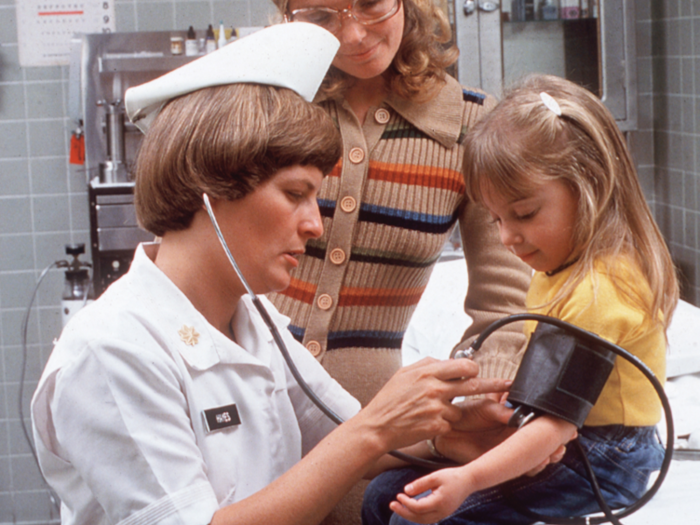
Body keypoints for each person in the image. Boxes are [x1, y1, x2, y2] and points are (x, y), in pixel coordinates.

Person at [30, 23, 517, 525]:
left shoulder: (256, 320)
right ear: (210, 185)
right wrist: (375, 427)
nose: (314, 224)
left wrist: (448, 432)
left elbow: (341, 436)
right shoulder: (113, 350)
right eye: (294, 194)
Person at [363, 74, 679, 525]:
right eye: (495, 219)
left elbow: (556, 428)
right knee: (385, 495)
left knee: (419, 519)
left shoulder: (598, 294)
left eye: (525, 214)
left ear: (589, 183)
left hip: (606, 458)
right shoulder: (563, 263)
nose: (508, 237)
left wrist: (469, 479)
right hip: (571, 430)